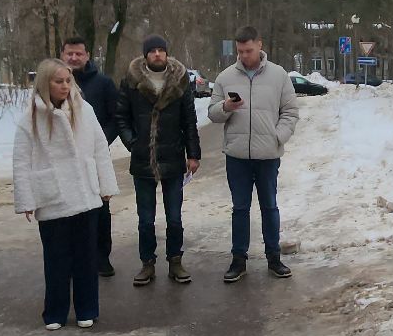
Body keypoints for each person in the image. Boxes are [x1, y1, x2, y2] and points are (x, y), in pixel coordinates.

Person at [14, 58, 119, 330]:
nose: (64, 86)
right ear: (45, 83)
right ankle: (55, 312)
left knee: (86, 257)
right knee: (56, 259)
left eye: (67, 80)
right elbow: (22, 161)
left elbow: (99, 150)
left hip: (85, 195)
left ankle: (87, 308)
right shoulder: (30, 119)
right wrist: (26, 199)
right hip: (52, 196)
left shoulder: (85, 110)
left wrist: (106, 186)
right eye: (58, 81)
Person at [207, 26, 299, 283]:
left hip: (268, 155)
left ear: (260, 45)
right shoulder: (226, 77)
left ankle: (274, 257)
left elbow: (290, 112)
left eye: (248, 50)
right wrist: (226, 106)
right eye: (240, 51)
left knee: (270, 207)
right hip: (237, 156)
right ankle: (239, 260)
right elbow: (212, 113)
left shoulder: (279, 75)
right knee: (240, 208)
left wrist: (277, 137)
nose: (244, 55)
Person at [114, 35, 201, 285]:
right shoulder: (131, 82)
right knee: (145, 219)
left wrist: (193, 154)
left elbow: (189, 120)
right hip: (143, 160)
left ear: (167, 53)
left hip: (173, 157)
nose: (157, 55)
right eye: (152, 51)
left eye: (161, 50)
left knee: (174, 217)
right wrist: (134, 142)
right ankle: (147, 264)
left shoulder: (180, 81)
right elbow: (121, 117)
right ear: (145, 55)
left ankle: (175, 261)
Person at [60, 37, 121, 277]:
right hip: (63, 160)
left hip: (95, 159)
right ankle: (71, 257)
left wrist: (97, 143)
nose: (74, 58)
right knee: (67, 210)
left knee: (100, 208)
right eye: (69, 54)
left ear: (87, 55)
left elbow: (115, 118)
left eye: (78, 54)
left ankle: (101, 256)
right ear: (62, 55)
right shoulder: (55, 84)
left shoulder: (103, 83)